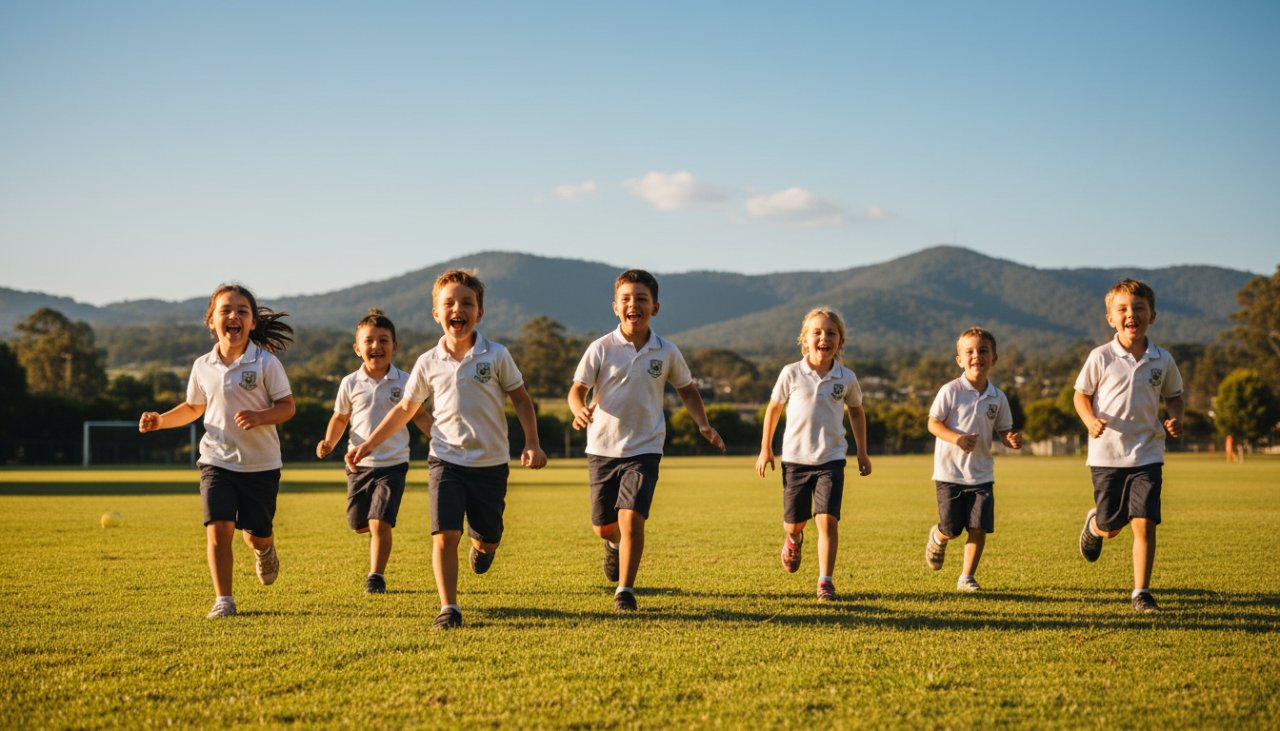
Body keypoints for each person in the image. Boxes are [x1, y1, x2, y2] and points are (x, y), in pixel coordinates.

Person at [347, 270, 546, 630]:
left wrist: (532, 442)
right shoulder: (428, 362)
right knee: (444, 534)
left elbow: (521, 398)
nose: (458, 309)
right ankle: (449, 608)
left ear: (480, 314)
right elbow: (405, 409)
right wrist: (367, 444)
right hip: (446, 460)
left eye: (467, 303)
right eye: (449, 304)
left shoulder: (497, 355)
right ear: (436, 313)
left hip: (490, 464)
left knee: (488, 538)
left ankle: (484, 546)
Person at [568, 269, 725, 613]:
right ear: (615, 307)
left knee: (631, 517)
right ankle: (612, 546)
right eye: (626, 298)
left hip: (646, 447)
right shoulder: (602, 348)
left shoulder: (666, 351)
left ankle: (625, 590)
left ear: (655, 306)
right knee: (604, 527)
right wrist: (579, 410)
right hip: (602, 448)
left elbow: (687, 390)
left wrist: (702, 423)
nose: (633, 304)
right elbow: (576, 390)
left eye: (641, 298)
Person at [139, 284, 295, 619]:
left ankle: (265, 550)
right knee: (219, 528)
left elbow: (287, 407)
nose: (234, 316)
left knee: (255, 536)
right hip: (216, 461)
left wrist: (260, 416)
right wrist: (160, 421)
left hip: (260, 466)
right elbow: (194, 407)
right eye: (225, 310)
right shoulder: (202, 365)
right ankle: (224, 600)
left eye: (242, 310)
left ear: (252, 322)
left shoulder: (266, 363)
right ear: (212, 320)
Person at [1073, 278, 1184, 613]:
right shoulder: (1101, 356)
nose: (1131, 314)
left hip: (1148, 453)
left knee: (1144, 522)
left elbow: (1175, 396)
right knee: (1112, 527)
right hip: (1107, 455)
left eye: (1138, 308)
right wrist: (1090, 420)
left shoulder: (1162, 360)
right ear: (1111, 319)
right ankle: (1095, 525)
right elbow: (1081, 395)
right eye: (1122, 309)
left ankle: (1141, 592)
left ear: (1152, 315)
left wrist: (1175, 418)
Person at [756, 307, 872, 601]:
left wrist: (862, 452)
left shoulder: (846, 378)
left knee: (827, 519)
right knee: (794, 523)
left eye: (831, 333)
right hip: (795, 460)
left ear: (840, 340)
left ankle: (825, 581)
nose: (824, 338)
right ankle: (793, 539)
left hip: (831, 460)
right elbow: (774, 409)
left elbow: (857, 412)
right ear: (804, 340)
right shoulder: (791, 373)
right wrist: (765, 448)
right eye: (817, 332)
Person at [317, 308, 432, 594]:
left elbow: (418, 415)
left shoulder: (406, 381)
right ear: (357, 348)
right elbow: (340, 417)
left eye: (383, 340)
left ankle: (376, 575)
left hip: (393, 465)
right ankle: (371, 531)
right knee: (359, 525)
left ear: (394, 346)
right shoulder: (349, 383)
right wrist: (329, 441)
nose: (376, 346)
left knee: (380, 523)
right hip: (358, 464)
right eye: (369, 341)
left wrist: (441, 437)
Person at [923, 327, 1023, 592]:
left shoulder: (998, 397)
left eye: (983, 351)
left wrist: (1010, 439)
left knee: (978, 528)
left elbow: (1003, 429)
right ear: (959, 360)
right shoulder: (951, 391)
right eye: (969, 352)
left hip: (981, 475)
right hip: (950, 474)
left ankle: (966, 577)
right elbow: (933, 424)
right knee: (953, 528)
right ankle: (939, 536)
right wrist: (956, 438)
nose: (976, 356)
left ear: (994, 358)